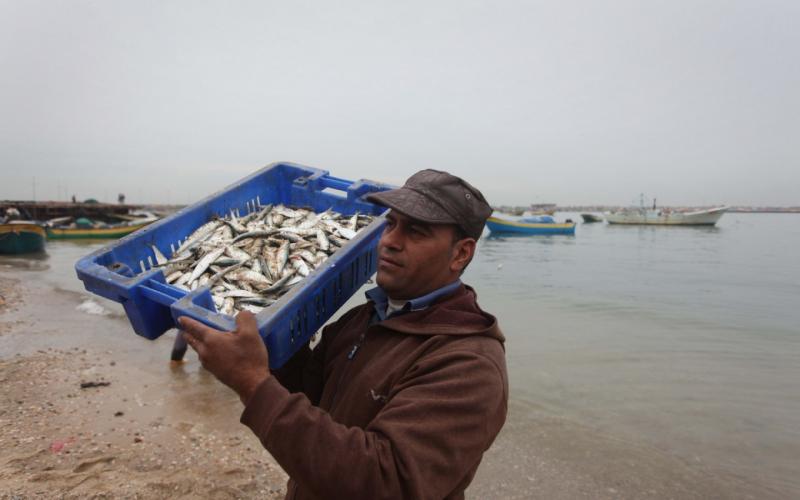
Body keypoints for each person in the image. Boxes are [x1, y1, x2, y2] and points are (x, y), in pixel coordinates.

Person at [179, 169, 508, 500]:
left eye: (416, 232)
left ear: (461, 253)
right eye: (391, 224)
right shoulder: (363, 319)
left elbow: (385, 482)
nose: (390, 241)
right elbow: (312, 402)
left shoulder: (468, 365)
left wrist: (252, 383)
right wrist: (269, 347)